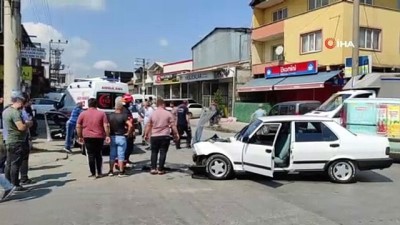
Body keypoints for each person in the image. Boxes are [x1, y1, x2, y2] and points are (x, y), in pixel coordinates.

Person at [2, 91, 33, 191]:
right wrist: (28, 123)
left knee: (9, 163)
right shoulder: (15, 113)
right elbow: (21, 127)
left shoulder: (6, 111)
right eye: (23, 101)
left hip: (9, 140)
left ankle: (7, 183)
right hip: (17, 141)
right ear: (19, 101)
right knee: (15, 164)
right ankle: (15, 185)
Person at [76, 98, 110, 179]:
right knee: (98, 154)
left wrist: (80, 136)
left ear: (88, 104)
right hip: (99, 136)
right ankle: (99, 172)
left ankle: (93, 173)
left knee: (90, 155)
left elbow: (78, 126)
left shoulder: (83, 114)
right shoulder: (102, 114)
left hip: (87, 136)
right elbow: (106, 125)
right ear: (96, 104)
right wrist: (107, 135)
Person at [144, 97, 179, 175]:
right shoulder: (168, 113)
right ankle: (160, 169)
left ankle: (153, 168)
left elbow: (149, 125)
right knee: (163, 152)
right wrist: (176, 134)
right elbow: (173, 125)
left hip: (154, 136)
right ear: (163, 104)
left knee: (154, 152)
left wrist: (146, 134)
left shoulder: (153, 113)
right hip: (165, 136)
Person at [108, 101, 133, 177]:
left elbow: (107, 126)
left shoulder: (110, 116)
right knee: (121, 155)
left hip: (113, 137)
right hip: (121, 137)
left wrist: (108, 134)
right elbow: (131, 125)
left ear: (115, 107)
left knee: (112, 155)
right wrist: (128, 133)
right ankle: (121, 172)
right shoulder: (124, 116)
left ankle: (111, 171)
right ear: (121, 107)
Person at [120, 94, 135, 167]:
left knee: (129, 147)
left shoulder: (125, 109)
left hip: (128, 131)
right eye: (130, 102)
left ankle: (126, 159)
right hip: (127, 132)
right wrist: (130, 132)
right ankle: (124, 162)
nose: (130, 104)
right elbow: (129, 122)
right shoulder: (125, 110)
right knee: (128, 147)